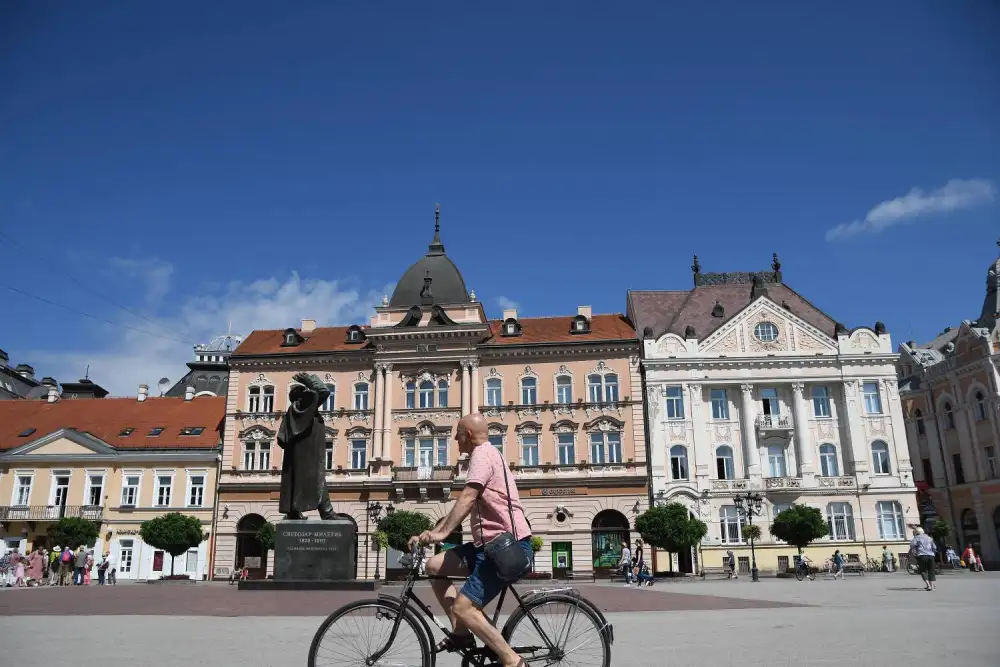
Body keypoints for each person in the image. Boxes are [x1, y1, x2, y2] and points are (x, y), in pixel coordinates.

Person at [409, 413, 532, 667]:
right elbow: (463, 503)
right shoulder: (485, 455)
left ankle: (512, 661)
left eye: (457, 433)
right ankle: (462, 634)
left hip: (507, 548)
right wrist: (432, 532)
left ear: (467, 435)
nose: (455, 438)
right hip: (486, 547)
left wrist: (442, 534)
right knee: (434, 566)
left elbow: (467, 496)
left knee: (465, 607)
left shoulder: (483, 455)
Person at [909, 526, 937, 591]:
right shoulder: (929, 538)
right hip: (931, 556)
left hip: (922, 556)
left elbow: (912, 545)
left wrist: (914, 553)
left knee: (923, 570)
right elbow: (934, 548)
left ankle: (928, 585)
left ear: (916, 532)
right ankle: (932, 585)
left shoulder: (916, 538)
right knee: (931, 570)